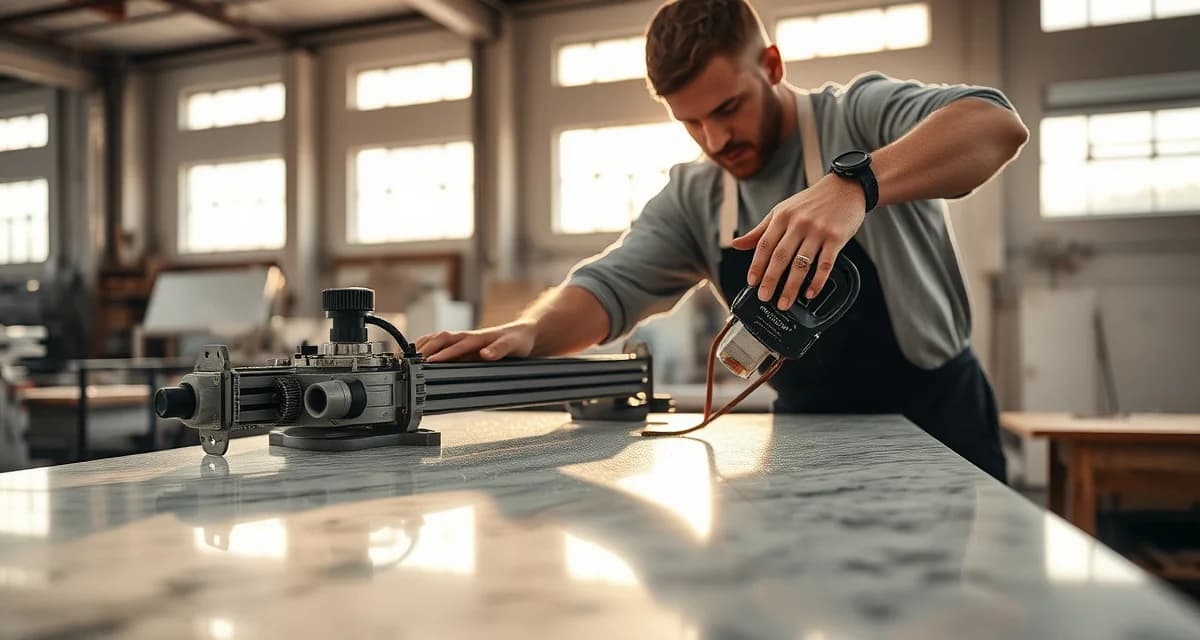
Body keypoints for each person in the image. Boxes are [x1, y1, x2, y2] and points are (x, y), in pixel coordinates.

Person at [416, 0, 1028, 481]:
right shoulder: (695, 198)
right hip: (808, 440)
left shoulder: (858, 116)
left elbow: (995, 124)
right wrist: (530, 332)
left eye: (728, 108)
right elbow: (607, 288)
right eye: (690, 122)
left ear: (773, 66)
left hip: (939, 419)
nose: (714, 139)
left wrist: (853, 186)